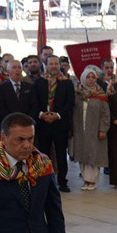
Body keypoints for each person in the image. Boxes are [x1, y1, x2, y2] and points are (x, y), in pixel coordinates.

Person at [35, 55, 75, 192]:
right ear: (45, 65)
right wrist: (42, 115)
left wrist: (57, 115)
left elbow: (70, 103)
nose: (53, 66)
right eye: (50, 64)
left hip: (60, 123)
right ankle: (45, 181)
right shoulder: (39, 82)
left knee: (61, 154)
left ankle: (62, 182)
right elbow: (34, 102)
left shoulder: (67, 82)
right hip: (43, 123)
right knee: (44, 154)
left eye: (56, 64)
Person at [70, 66, 111, 191]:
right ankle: (85, 180)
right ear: (83, 78)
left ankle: (92, 180)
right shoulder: (77, 94)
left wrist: (103, 129)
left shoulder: (101, 95)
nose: (91, 80)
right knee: (82, 154)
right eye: (88, 77)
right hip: (80, 130)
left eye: (93, 77)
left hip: (95, 130)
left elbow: (106, 114)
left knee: (94, 155)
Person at [0, 59, 39, 124]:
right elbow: (1, 108)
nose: (17, 70)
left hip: (27, 123)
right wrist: (12, 121)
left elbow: (34, 106)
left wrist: (27, 120)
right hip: (9, 123)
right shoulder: (1, 87)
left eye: (19, 67)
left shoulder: (29, 86)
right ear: (7, 71)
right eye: (14, 67)